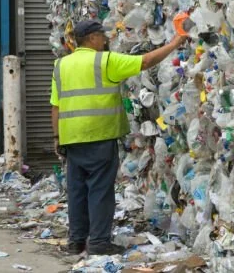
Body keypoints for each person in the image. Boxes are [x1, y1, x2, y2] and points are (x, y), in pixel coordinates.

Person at [50, 20, 187, 255]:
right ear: (92, 38)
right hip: (99, 135)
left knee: (76, 191)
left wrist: (57, 137)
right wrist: (175, 42)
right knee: (100, 191)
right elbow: (145, 61)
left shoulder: (61, 65)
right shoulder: (104, 61)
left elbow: (55, 106)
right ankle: (99, 243)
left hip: (71, 138)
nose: (105, 40)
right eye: (102, 36)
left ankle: (76, 241)